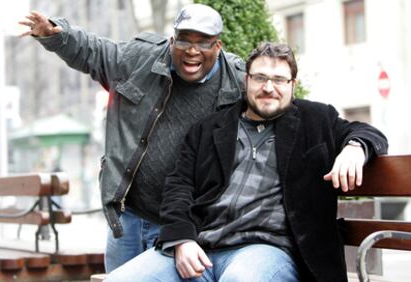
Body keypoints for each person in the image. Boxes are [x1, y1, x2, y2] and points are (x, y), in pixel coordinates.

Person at [104, 42, 388, 282]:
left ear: (293, 85)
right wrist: (181, 239)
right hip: (200, 247)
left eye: (279, 80)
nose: (269, 88)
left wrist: (354, 148)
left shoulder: (316, 120)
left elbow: (367, 132)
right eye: (260, 78)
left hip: (266, 250)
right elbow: (179, 187)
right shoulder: (210, 128)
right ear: (246, 80)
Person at [19, 4, 245, 272]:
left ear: (217, 46)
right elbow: (95, 52)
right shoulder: (141, 59)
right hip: (130, 217)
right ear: (172, 40)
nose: (192, 51)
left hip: (188, 227)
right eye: (184, 40)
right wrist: (56, 34)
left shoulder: (238, 83)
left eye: (203, 43)